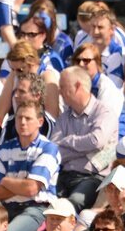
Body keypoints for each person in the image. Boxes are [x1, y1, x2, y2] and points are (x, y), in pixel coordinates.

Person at [0, 99, 60, 231]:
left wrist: (5, 181)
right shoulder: (5, 148)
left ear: (40, 122)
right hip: (6, 207)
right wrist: (23, 185)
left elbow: (32, 189)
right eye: (19, 117)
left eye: (28, 118)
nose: (22, 122)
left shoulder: (48, 148)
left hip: (37, 208)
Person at [51, 66, 119, 211]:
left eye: (62, 86)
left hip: (93, 177)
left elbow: (96, 141)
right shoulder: (64, 118)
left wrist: (69, 141)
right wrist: (86, 150)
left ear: (77, 86)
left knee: (72, 204)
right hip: (64, 175)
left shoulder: (104, 113)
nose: (59, 91)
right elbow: (54, 151)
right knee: (46, 201)